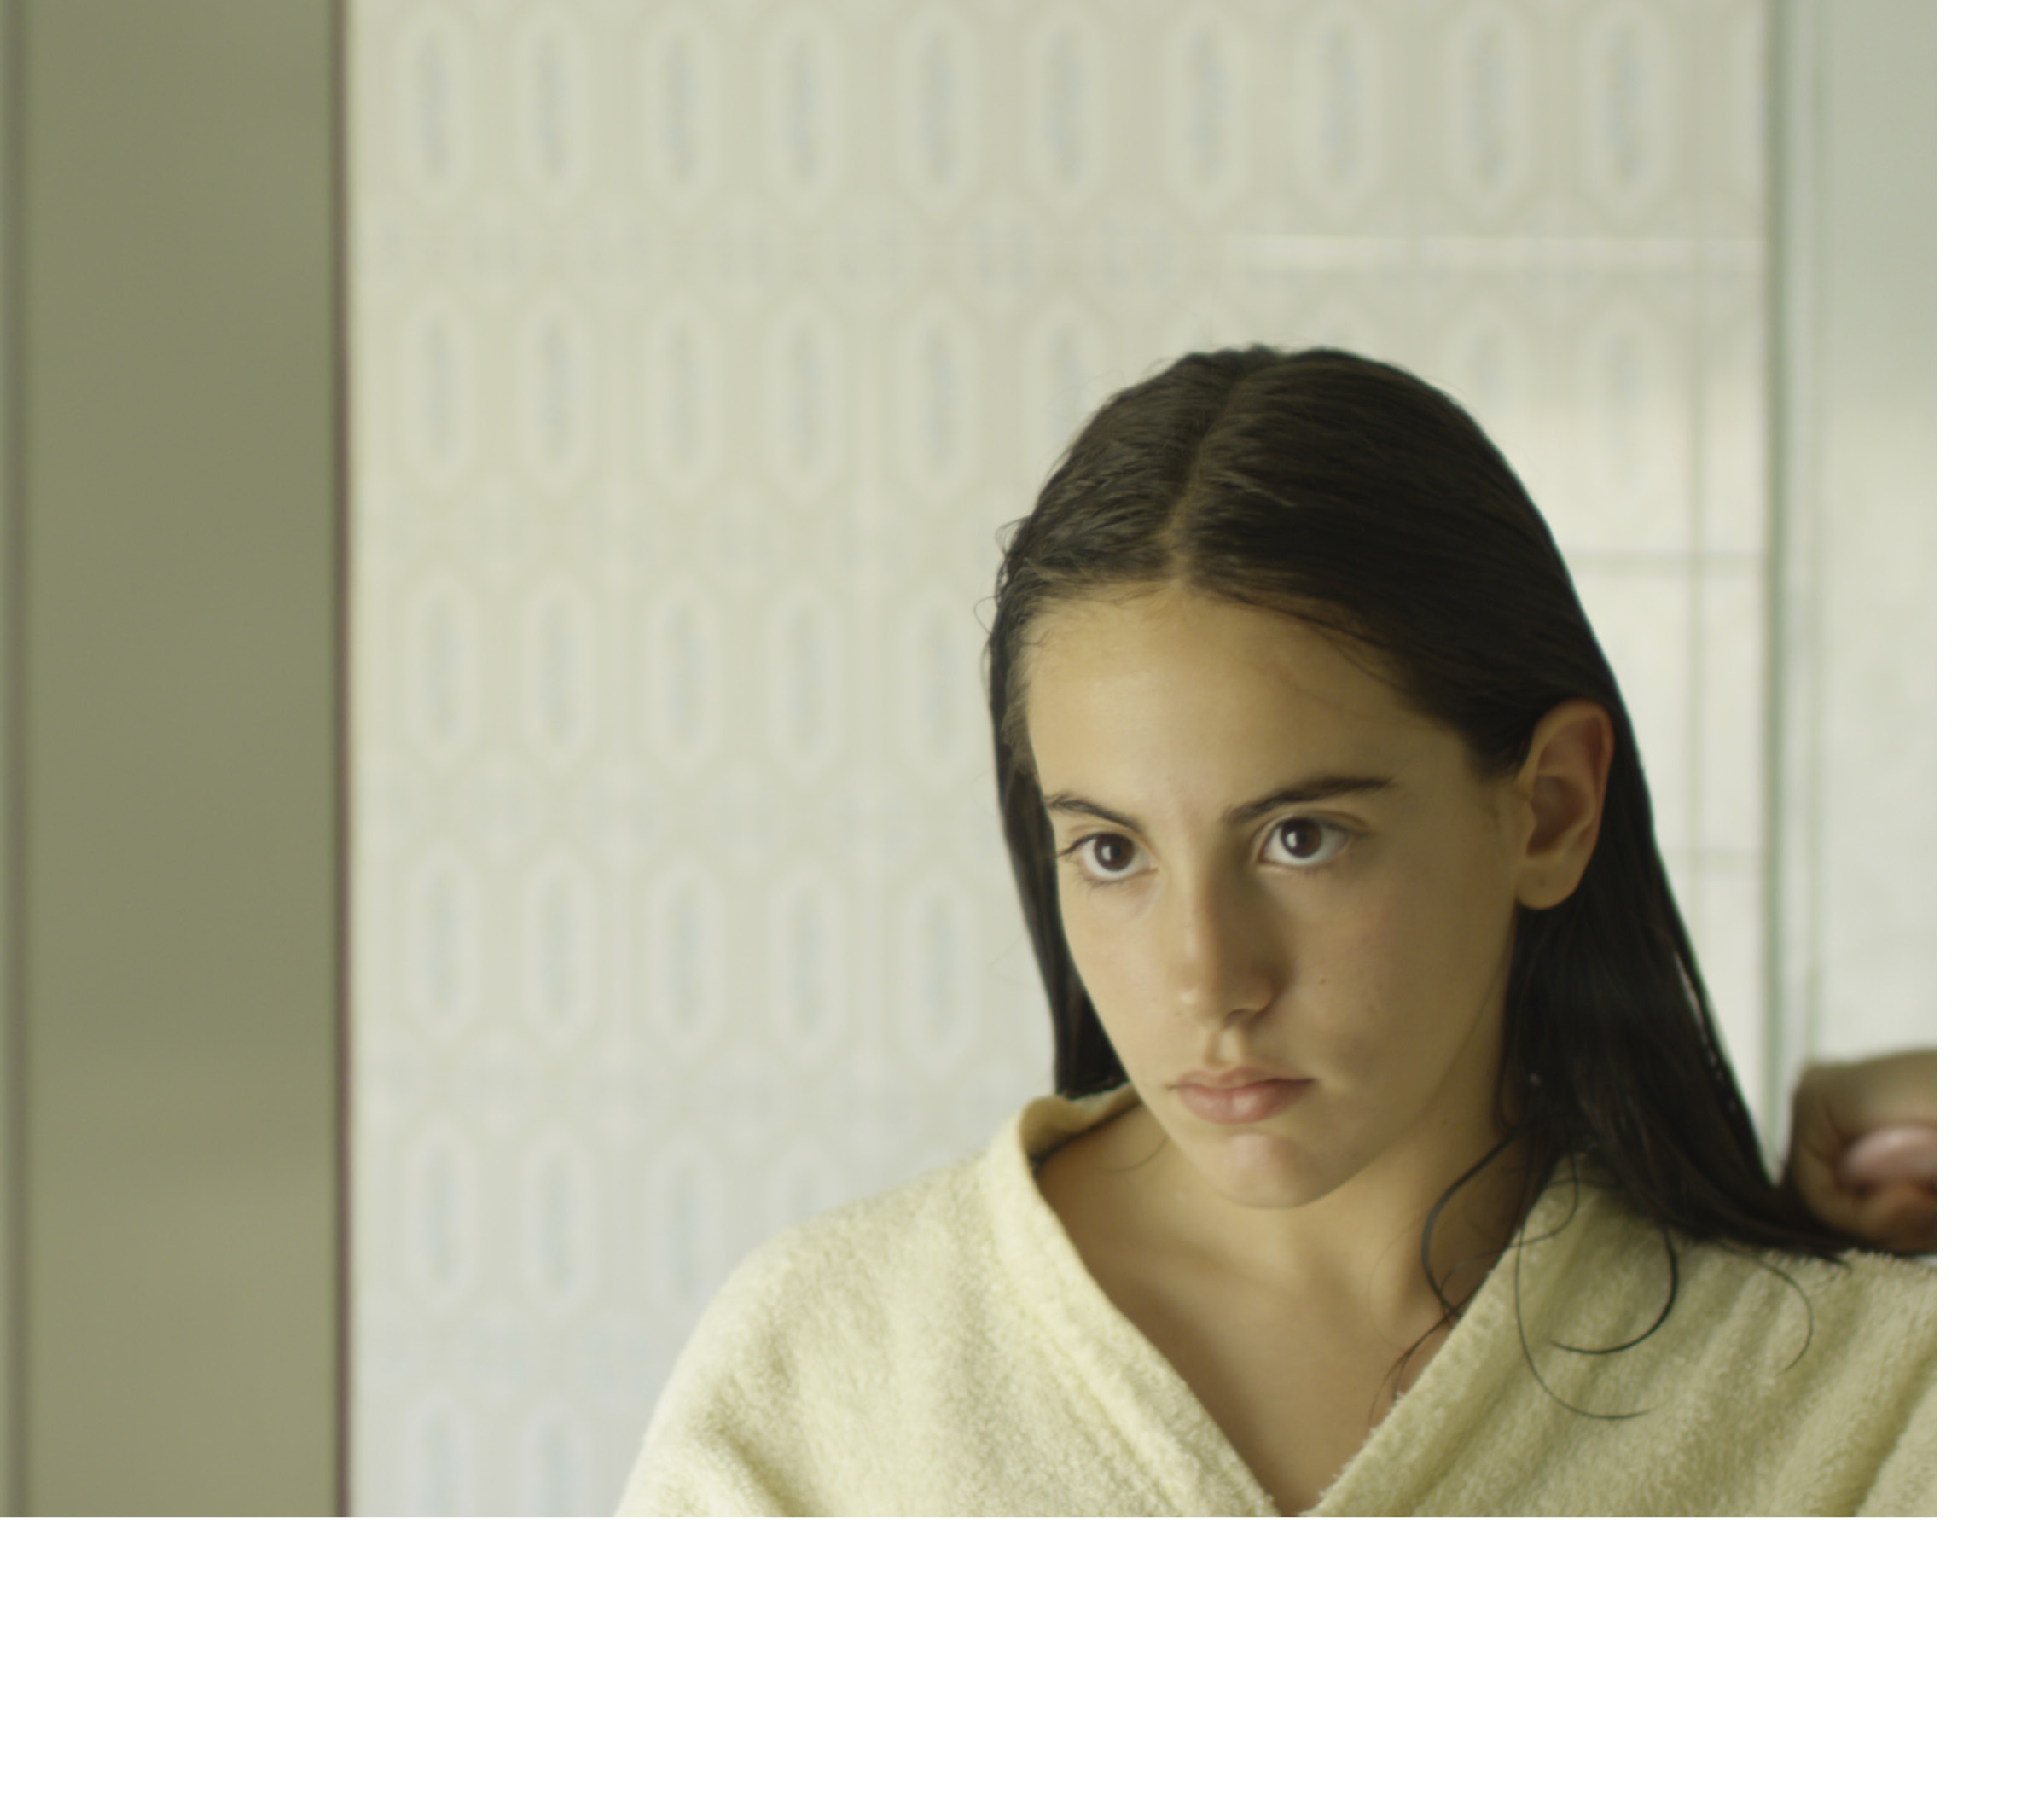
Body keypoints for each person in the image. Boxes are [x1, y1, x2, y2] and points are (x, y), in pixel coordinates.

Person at [619, 346, 1933, 1516]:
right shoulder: (822, 1374)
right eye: (1112, 852)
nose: (1209, 980)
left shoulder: (1859, 1398)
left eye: (1302, 838)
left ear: (1549, 811)